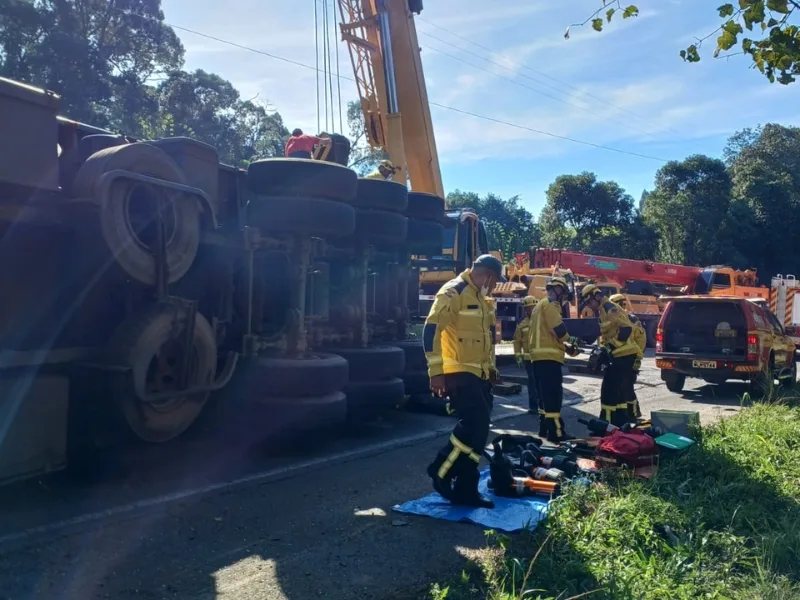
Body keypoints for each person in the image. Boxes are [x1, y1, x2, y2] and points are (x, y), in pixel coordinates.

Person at [424, 254, 505, 508]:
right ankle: (440, 470)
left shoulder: (481, 298)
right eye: (494, 282)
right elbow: (431, 330)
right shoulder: (454, 291)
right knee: (474, 423)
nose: (493, 288)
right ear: (489, 275)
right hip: (457, 372)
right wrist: (436, 371)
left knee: (479, 432)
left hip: (478, 374)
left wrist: (490, 368)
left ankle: (465, 490)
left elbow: (485, 339)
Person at [528, 277, 580, 441]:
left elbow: (546, 335)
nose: (563, 299)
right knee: (553, 397)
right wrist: (570, 341)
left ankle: (544, 429)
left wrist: (565, 347)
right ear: (558, 290)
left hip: (537, 357)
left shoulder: (538, 305)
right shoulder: (551, 304)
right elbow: (558, 329)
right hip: (549, 358)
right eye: (563, 295)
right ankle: (557, 433)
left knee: (543, 397)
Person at [581, 285, 639, 426]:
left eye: (589, 302)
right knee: (617, 391)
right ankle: (620, 420)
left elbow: (625, 329)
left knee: (608, 390)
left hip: (624, 353)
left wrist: (609, 348)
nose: (589, 306)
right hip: (619, 354)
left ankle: (605, 422)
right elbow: (609, 332)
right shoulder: (602, 310)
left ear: (596, 296)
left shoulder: (609, 308)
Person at [609, 293, 646, 418]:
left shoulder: (632, 320)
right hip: (617, 358)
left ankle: (634, 413)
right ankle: (624, 414)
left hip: (631, 357)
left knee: (627, 386)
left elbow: (641, 339)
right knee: (619, 387)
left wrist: (638, 357)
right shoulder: (613, 319)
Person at [513, 296, 539, 416]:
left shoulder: (541, 321)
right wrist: (518, 355)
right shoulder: (522, 324)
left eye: (532, 308)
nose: (530, 310)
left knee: (541, 383)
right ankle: (533, 407)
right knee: (532, 383)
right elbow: (517, 341)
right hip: (529, 359)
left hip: (541, 358)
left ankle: (542, 405)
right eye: (528, 308)